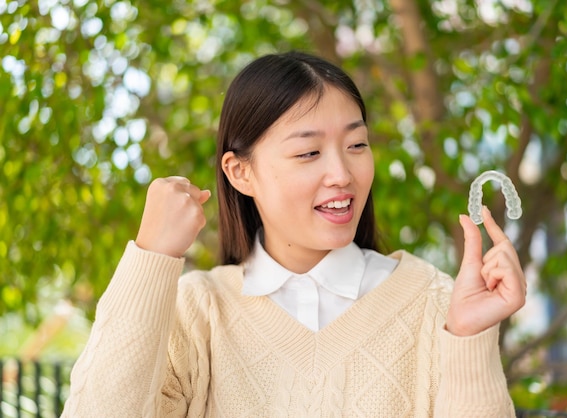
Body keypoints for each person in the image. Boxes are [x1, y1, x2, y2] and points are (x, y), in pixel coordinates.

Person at [61, 51, 526, 417]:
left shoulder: (434, 303)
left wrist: (469, 337)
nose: (342, 173)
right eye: (308, 153)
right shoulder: (198, 313)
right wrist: (151, 257)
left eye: (357, 145)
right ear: (240, 172)